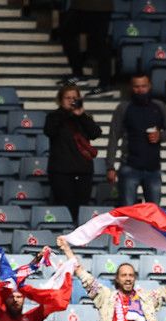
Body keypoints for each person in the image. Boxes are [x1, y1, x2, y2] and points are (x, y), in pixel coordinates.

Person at [105, 73, 166, 206]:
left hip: (153, 168)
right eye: (136, 86)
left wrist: (160, 136)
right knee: (128, 212)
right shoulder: (123, 108)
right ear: (131, 87)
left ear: (149, 86)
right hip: (129, 167)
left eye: (143, 86)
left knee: (153, 212)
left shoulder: (159, 106)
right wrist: (110, 166)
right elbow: (113, 137)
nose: (140, 90)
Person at [44, 85, 102, 220]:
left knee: (82, 209)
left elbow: (95, 133)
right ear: (60, 100)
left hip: (83, 170)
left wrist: (81, 116)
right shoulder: (53, 116)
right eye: (68, 98)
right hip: (61, 171)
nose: (71, 101)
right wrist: (65, 113)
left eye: (74, 98)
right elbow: (49, 131)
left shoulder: (83, 117)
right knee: (65, 208)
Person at [57, 0, 112, 93]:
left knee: (99, 43)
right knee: (66, 33)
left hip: (99, 8)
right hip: (81, 6)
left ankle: (104, 83)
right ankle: (79, 73)